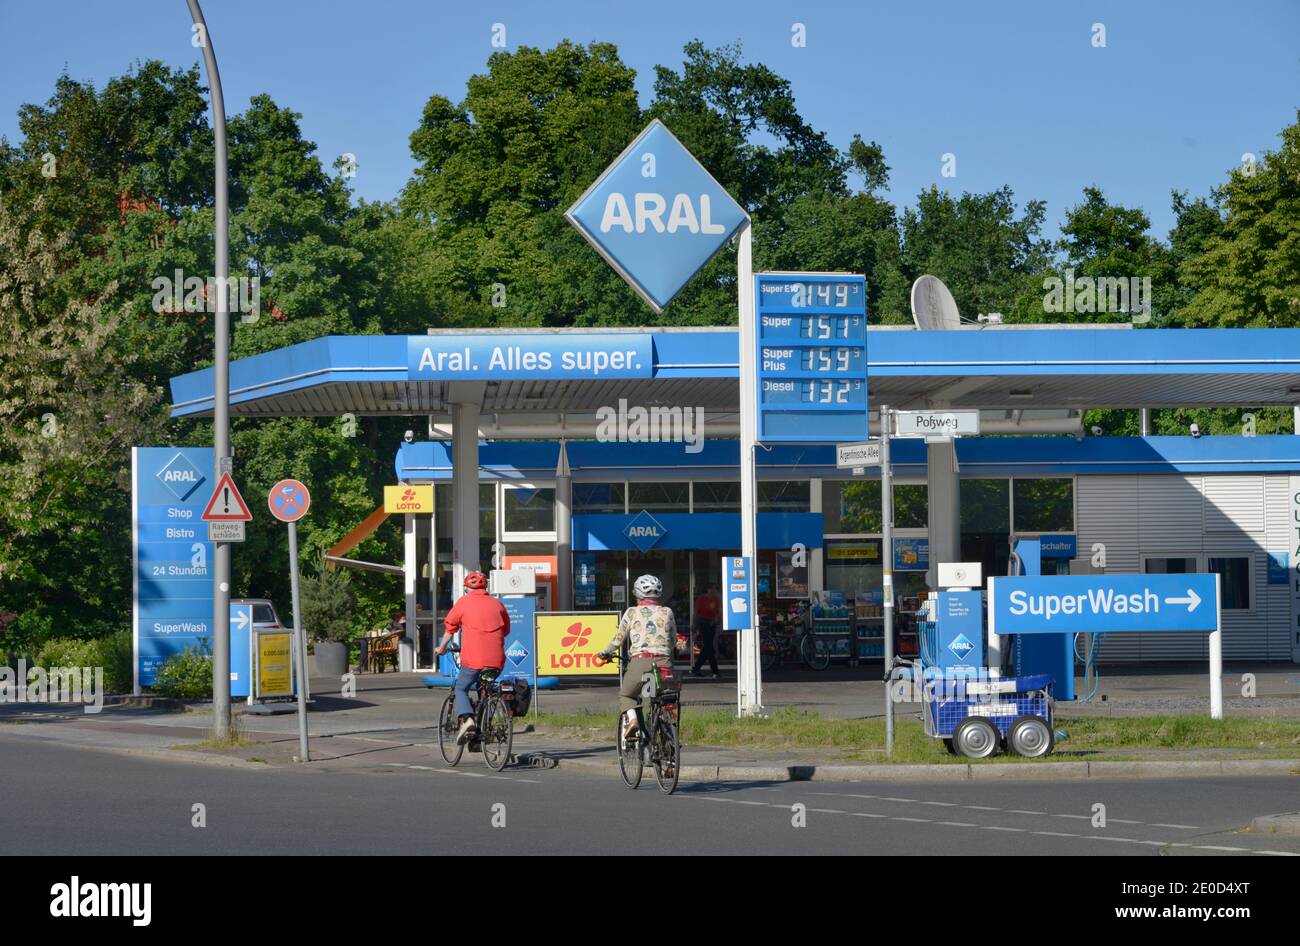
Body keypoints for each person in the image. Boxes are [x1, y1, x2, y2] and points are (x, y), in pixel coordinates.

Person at [598, 574, 676, 740]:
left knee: (627, 695)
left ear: (638, 594)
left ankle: (633, 721)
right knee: (663, 699)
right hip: (664, 662)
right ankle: (668, 737)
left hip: (641, 661)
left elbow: (618, 639)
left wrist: (605, 652)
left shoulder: (632, 612)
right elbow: (673, 639)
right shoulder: (667, 612)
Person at [435, 570, 509, 744]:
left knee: (461, 688)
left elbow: (450, 627)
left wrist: (442, 647)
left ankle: (468, 719)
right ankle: (482, 732)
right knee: (485, 689)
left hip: (474, 660)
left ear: (467, 588)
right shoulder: (498, 604)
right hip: (496, 661)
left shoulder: (463, 603)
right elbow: (506, 630)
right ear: (485, 587)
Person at [691, 582, 721, 677]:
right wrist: (694, 624)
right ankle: (715, 671)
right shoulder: (701, 599)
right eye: (711, 588)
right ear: (707, 589)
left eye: (714, 589)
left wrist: (718, 619)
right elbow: (696, 612)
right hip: (703, 623)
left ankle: (696, 668)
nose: (713, 591)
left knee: (707, 648)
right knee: (709, 647)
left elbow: (719, 611)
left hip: (712, 624)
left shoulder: (716, 599)